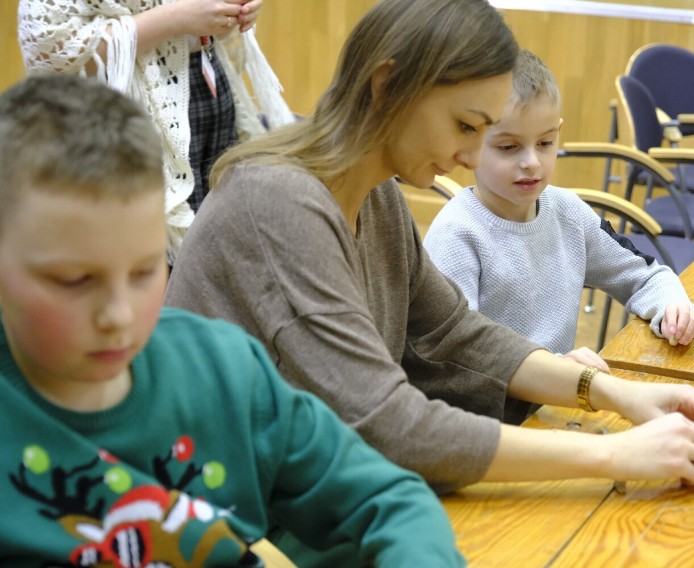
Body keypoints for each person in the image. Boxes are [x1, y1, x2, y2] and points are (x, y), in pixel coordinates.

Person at [165, 0, 694, 501]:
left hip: (303, 491)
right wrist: (614, 455)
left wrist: (615, 395)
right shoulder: (277, 203)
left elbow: (456, 331)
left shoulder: (374, 191)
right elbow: (386, 419)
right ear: (387, 85)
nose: (466, 157)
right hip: (228, 512)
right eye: (464, 126)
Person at [0, 74, 463, 567]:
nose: (117, 315)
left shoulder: (223, 371)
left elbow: (389, 501)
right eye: (74, 281)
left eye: (144, 270)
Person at [423, 49, 694, 358]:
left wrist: (673, 306)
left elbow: (644, 275)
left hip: (559, 394)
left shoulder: (569, 212)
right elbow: (456, 359)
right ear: (468, 144)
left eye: (545, 143)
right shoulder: (455, 236)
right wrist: (555, 370)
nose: (532, 162)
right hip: (487, 405)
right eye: (508, 147)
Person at [18, 0, 295, 261]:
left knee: (218, 251)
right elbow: (50, 50)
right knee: (151, 261)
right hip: (123, 112)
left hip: (206, 87)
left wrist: (231, 10)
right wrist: (177, 18)